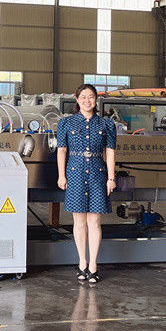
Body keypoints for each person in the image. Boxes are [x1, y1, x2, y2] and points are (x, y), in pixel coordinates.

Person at [56, 84, 116, 284]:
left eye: (90, 97)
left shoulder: (106, 124)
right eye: (83, 97)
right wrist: (61, 176)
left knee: (95, 222)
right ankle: (82, 262)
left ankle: (93, 265)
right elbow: (62, 151)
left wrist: (111, 178)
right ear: (77, 99)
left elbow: (110, 153)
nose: (87, 101)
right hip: (74, 174)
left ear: (96, 99)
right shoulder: (66, 123)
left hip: (98, 175)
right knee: (79, 222)